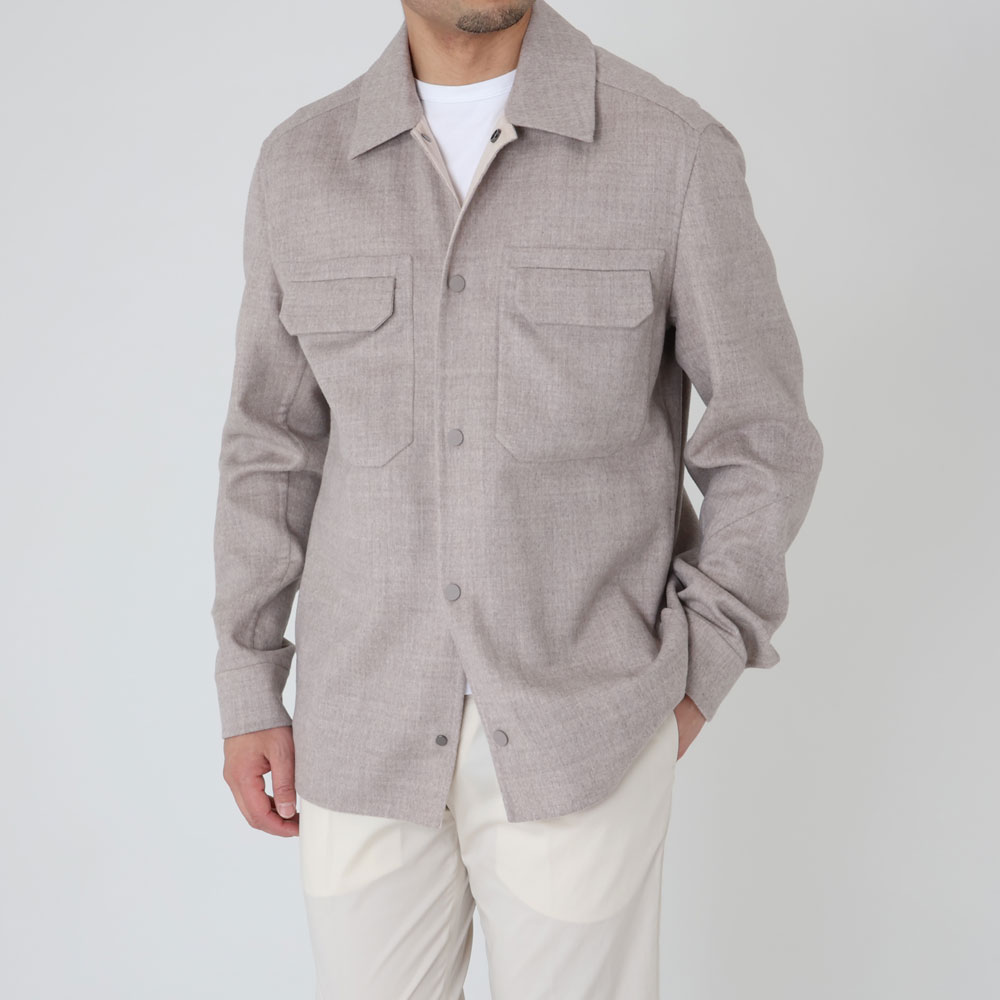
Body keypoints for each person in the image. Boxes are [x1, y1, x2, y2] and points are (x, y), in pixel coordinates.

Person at [210, 1, 824, 996]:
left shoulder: (672, 151)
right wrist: (248, 684)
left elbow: (765, 434)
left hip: (587, 728)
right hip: (359, 726)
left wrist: (700, 668)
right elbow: (268, 447)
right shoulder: (299, 166)